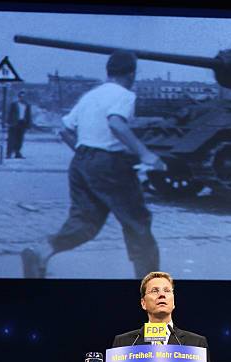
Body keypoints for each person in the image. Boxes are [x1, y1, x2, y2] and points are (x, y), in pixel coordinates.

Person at [21, 50, 162, 278]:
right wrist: (146, 154)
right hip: (110, 164)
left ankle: (42, 251)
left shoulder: (91, 96)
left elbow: (65, 129)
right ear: (131, 73)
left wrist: (84, 152)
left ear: (109, 71)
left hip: (81, 162)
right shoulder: (124, 95)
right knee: (137, 221)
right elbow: (116, 123)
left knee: (85, 222)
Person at [112, 271, 210, 362]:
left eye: (167, 291)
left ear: (173, 302)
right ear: (143, 303)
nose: (162, 295)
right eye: (155, 291)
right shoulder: (124, 343)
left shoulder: (197, 344)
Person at [6, 90, 32, 159]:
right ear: (19, 97)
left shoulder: (27, 105)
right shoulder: (14, 104)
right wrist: (8, 122)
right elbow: (9, 113)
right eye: (21, 96)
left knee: (20, 139)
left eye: (23, 96)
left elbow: (29, 115)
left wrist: (29, 124)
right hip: (14, 123)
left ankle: (17, 152)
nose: (22, 98)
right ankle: (9, 153)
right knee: (11, 139)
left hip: (22, 123)